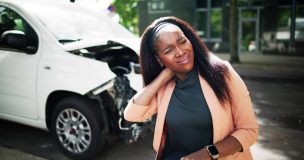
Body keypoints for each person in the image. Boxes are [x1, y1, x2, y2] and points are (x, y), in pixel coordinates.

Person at [124, 16, 258, 160]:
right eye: (168, 51)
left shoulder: (221, 72)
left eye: (182, 41)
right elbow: (132, 115)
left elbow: (249, 130)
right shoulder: (165, 88)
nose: (180, 52)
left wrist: (206, 154)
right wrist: (164, 76)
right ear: (158, 59)